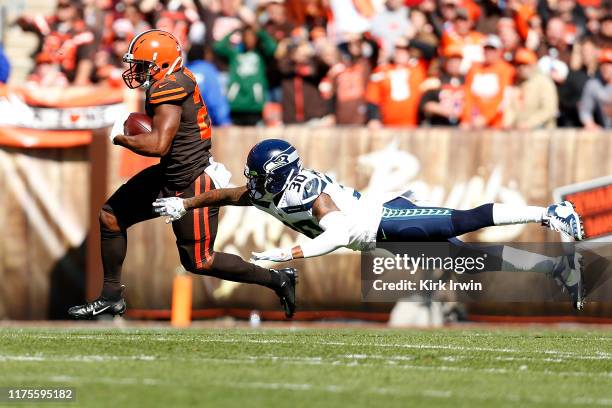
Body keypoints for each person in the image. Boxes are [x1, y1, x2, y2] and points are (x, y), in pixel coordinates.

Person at [153, 139, 587, 309]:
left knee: (462, 219)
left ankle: (551, 213)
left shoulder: (310, 195)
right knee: (467, 261)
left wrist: (290, 253)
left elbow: (338, 234)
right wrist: (185, 204)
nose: (254, 181)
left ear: (280, 172)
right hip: (373, 233)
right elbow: (231, 194)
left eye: (260, 174)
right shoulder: (268, 190)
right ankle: (556, 269)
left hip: (382, 220)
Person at [68, 30, 297, 320]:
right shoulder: (172, 78)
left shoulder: (170, 88)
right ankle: (111, 297)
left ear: (161, 64)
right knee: (111, 216)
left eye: (141, 64)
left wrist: (119, 138)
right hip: (170, 174)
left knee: (199, 261)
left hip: (192, 180)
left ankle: (279, 280)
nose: (136, 71)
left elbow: (158, 144)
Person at [461, 34, 515, 129]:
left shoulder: (506, 70)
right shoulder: (474, 68)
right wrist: (466, 118)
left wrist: (486, 118)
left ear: (499, 51)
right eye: (486, 49)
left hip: (496, 123)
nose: (489, 52)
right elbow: (468, 94)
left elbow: (503, 97)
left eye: (492, 49)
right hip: (473, 120)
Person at [503, 48, 559, 129]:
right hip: (519, 133)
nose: (521, 68)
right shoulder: (516, 83)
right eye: (518, 65)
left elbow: (549, 109)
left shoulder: (544, 82)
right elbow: (510, 108)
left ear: (533, 65)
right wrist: (508, 123)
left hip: (542, 133)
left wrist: (529, 123)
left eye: (524, 64)